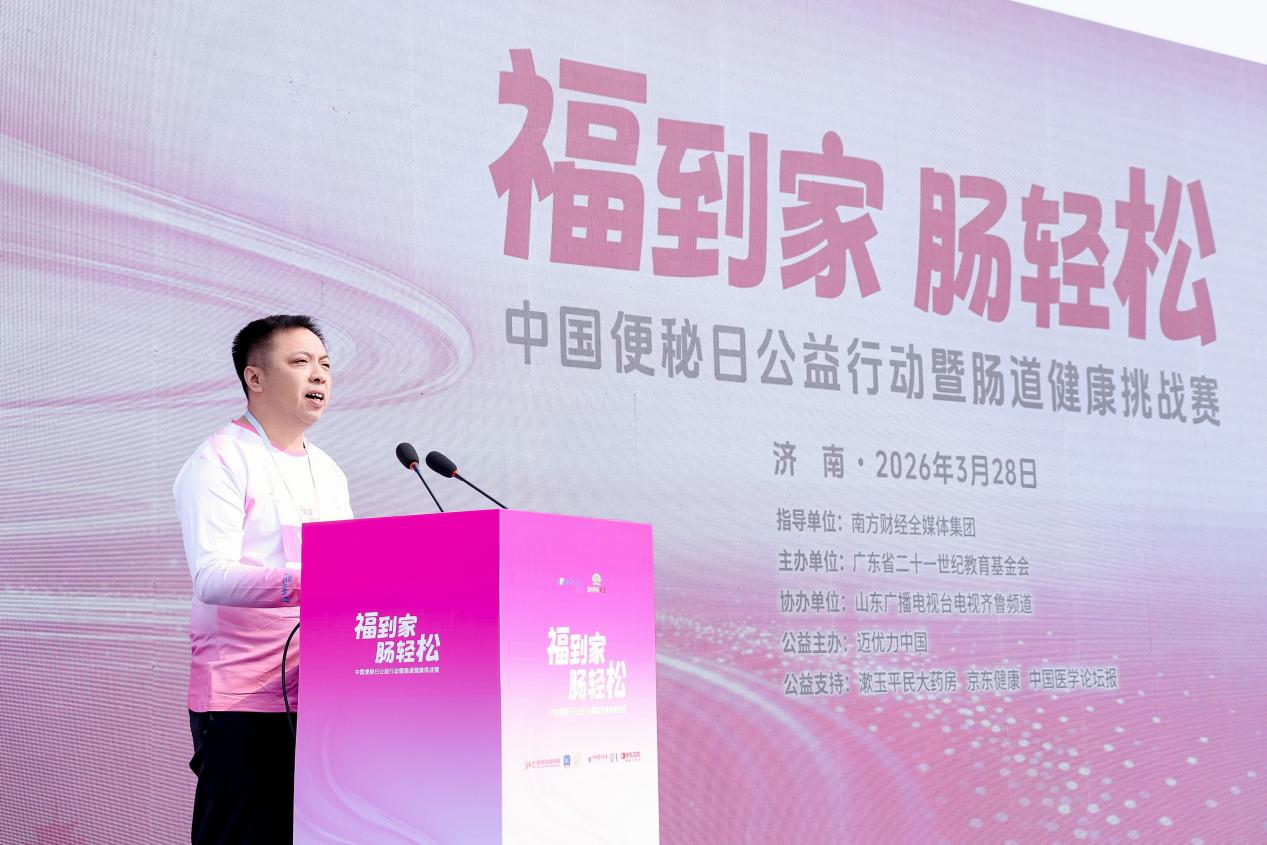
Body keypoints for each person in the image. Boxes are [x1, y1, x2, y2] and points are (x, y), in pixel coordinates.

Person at [173, 315, 352, 844]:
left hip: (322, 692)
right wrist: (315, 581)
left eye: (325, 364)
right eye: (300, 362)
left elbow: (349, 571)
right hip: (243, 698)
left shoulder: (329, 470)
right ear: (255, 377)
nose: (318, 375)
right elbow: (212, 577)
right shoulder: (219, 459)